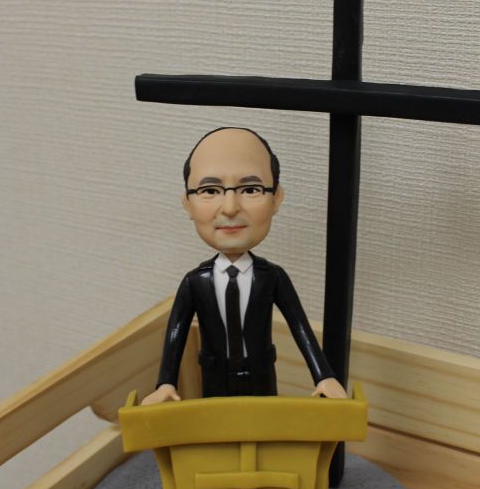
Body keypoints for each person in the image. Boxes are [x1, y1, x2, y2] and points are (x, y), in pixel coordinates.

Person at [142, 127, 347, 403]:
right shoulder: (195, 281)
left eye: (250, 189)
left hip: (261, 378)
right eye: (210, 190)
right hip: (213, 380)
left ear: (276, 199)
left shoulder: (271, 277)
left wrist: (324, 376)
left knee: (264, 427)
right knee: (218, 428)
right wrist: (165, 382)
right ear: (187, 203)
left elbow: (300, 328)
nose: (229, 208)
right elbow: (175, 334)